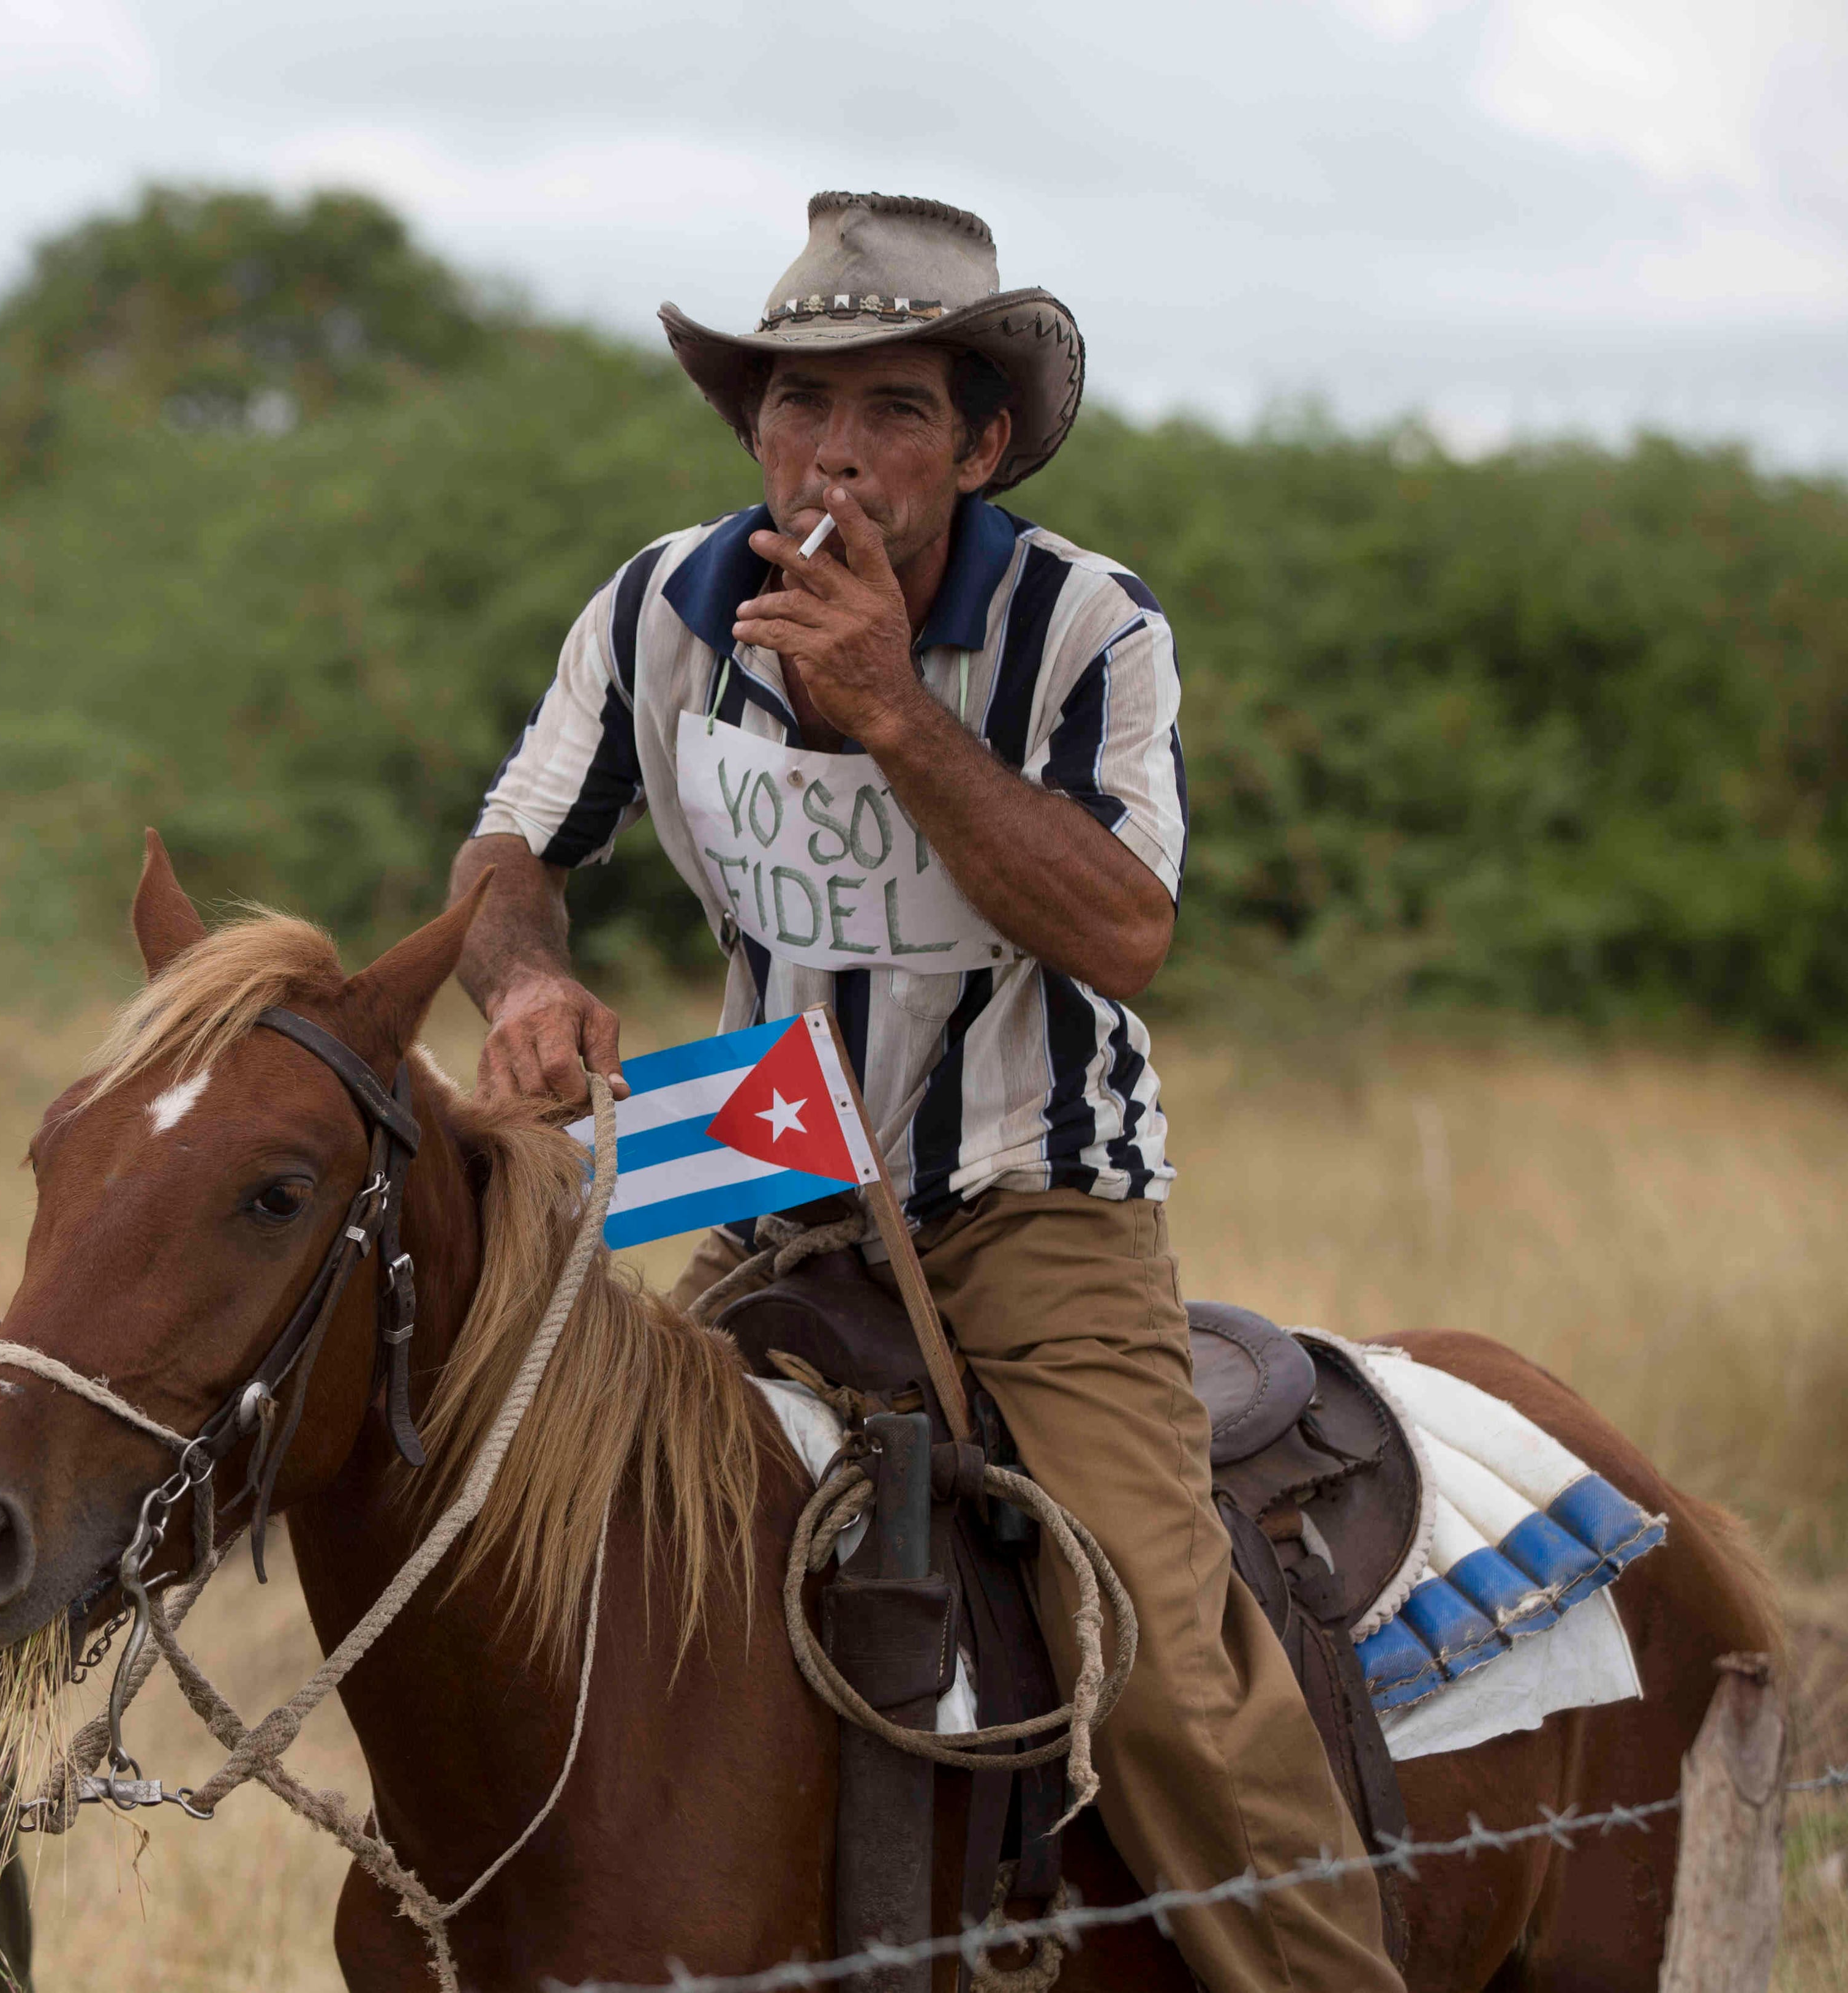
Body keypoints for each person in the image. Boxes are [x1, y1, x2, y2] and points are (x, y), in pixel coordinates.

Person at [451, 193, 1399, 1991]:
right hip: (752, 1144)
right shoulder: (658, 605)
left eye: (893, 412)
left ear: (978, 443)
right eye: (799, 406)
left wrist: (898, 714)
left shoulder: (1087, 629)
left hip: (1039, 1185)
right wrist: (529, 976)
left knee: (1160, 1670)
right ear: (751, 428)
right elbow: (511, 844)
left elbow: (1124, 932)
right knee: (579, 1546)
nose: (836, 455)